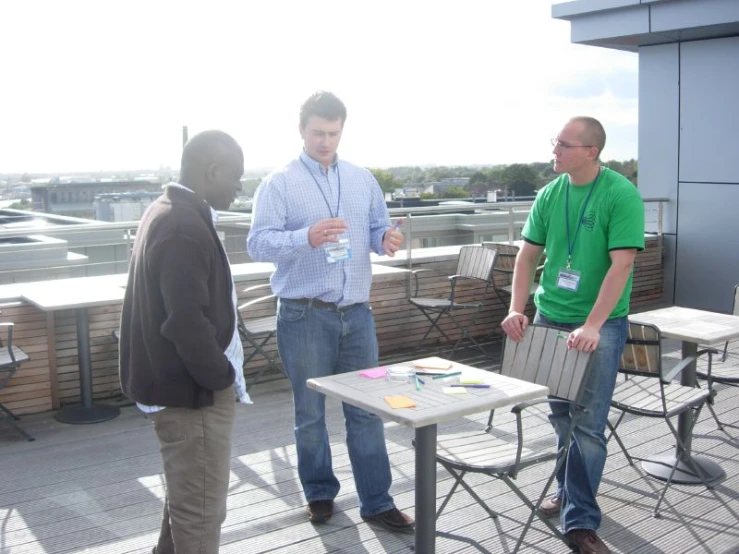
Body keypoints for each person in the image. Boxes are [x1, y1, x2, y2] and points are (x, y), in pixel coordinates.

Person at [246, 91, 413, 533]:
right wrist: (306, 237)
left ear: (342, 130)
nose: (325, 141)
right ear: (301, 130)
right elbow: (257, 243)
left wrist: (385, 241)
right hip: (304, 315)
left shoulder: (362, 179)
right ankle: (320, 494)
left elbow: (378, 228)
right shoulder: (278, 183)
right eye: (318, 132)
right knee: (310, 413)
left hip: (357, 313)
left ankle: (377, 501)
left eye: (333, 133)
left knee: (367, 411)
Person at [501, 116, 644, 554]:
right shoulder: (550, 194)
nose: (555, 151)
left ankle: (580, 522)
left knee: (588, 426)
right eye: (555, 142)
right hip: (551, 318)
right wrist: (516, 309)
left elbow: (622, 265)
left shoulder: (620, 194)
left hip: (598, 326)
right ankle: (569, 494)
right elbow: (526, 258)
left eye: (564, 144)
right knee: (561, 416)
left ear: (591, 152)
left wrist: (594, 326)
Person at [119, 130, 250, 554]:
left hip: (180, 391)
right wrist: (220, 377)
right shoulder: (182, 226)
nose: (239, 187)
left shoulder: (167, 211)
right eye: (236, 177)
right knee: (200, 516)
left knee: (187, 503)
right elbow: (186, 323)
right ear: (212, 171)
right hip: (194, 398)